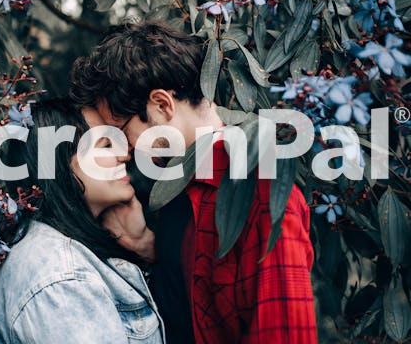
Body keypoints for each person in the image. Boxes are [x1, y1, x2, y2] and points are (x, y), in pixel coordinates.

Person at [69, 20, 317, 343]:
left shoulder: (261, 191)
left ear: (161, 105)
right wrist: (148, 248)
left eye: (122, 130)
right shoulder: (175, 191)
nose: (125, 149)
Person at [0, 99, 165, 344]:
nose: (125, 155)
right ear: (61, 165)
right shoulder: (61, 279)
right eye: (105, 145)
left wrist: (143, 246)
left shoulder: (73, 252)